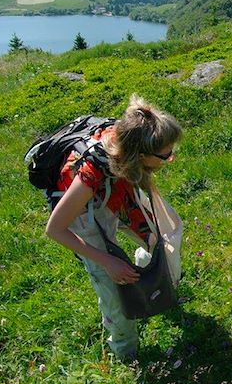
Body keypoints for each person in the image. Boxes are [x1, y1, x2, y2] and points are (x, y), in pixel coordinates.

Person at [45, 95, 182, 360]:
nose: (170, 159)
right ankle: (125, 351)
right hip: (83, 211)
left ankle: (150, 273)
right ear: (141, 155)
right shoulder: (90, 174)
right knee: (111, 288)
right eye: (166, 155)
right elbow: (55, 229)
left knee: (161, 237)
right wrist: (107, 262)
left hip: (115, 189)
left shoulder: (128, 146)